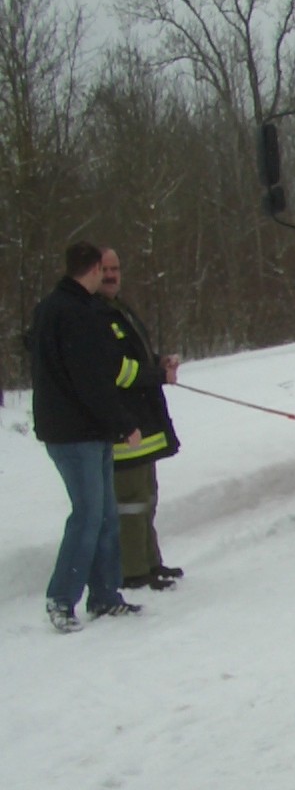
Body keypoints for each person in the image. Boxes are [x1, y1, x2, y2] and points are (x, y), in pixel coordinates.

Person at [29, 242, 146, 631]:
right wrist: (124, 422)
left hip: (82, 429)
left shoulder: (52, 307)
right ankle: (61, 598)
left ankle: (105, 595)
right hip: (74, 433)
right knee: (88, 515)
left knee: (106, 514)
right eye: (104, 269)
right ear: (94, 268)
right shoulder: (75, 313)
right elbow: (91, 380)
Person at [95, 247, 184, 590]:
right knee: (130, 503)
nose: (111, 275)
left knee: (147, 496)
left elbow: (138, 356)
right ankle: (132, 572)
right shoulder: (96, 314)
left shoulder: (119, 308)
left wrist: (159, 363)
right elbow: (117, 371)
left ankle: (150, 562)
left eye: (116, 268)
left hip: (142, 420)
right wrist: (156, 376)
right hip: (123, 424)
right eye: (104, 269)